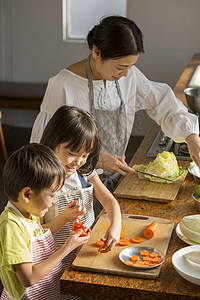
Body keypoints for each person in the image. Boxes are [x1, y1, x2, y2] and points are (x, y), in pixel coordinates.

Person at [30, 15, 200, 191]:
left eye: (130, 66)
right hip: (73, 187)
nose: (126, 74)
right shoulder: (64, 84)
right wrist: (96, 159)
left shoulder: (128, 76)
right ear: (97, 52)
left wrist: (191, 137)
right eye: (120, 67)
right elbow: (42, 149)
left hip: (117, 180)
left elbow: (163, 103)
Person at [0, 143, 90, 300]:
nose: (54, 201)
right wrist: (66, 248)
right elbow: (28, 278)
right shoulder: (11, 227)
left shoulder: (26, 212)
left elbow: (38, 234)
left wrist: (65, 217)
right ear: (27, 194)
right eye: (51, 195)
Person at [39, 105, 122, 269]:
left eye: (85, 155)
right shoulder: (40, 180)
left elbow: (110, 201)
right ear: (52, 143)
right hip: (52, 260)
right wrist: (64, 218)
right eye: (72, 154)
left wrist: (115, 226)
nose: (78, 162)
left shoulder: (84, 172)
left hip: (82, 255)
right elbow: (38, 233)